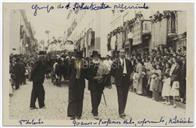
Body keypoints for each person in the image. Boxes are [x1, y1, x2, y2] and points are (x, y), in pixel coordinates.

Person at [87, 51, 109, 119]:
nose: (96, 57)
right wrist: (93, 78)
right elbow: (87, 75)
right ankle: (95, 112)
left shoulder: (103, 65)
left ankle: (94, 109)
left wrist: (103, 79)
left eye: (97, 56)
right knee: (94, 98)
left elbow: (107, 74)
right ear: (93, 57)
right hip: (93, 84)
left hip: (100, 84)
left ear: (98, 57)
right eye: (94, 56)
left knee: (98, 99)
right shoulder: (90, 65)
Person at [111, 49, 133, 119]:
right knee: (120, 96)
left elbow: (132, 70)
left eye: (123, 52)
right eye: (121, 52)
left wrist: (131, 78)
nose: (122, 54)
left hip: (126, 81)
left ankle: (123, 110)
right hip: (119, 81)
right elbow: (112, 72)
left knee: (125, 96)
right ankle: (121, 112)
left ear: (125, 53)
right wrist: (116, 78)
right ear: (119, 53)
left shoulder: (128, 62)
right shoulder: (115, 62)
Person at [67, 51, 87, 120]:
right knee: (72, 98)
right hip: (73, 83)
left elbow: (86, 74)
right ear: (75, 57)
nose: (78, 59)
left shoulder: (84, 64)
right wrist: (71, 79)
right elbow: (68, 72)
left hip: (80, 83)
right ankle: (72, 114)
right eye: (77, 57)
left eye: (79, 58)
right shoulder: (71, 63)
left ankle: (78, 114)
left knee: (80, 98)